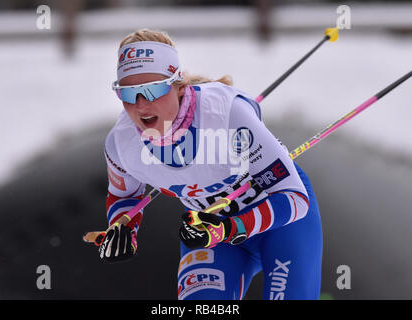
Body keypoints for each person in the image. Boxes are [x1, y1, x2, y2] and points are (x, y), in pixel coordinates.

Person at [100, 28, 323, 300]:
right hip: (211, 234)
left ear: (178, 86)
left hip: (281, 223)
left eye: (153, 89)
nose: (141, 105)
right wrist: (123, 229)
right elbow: (125, 196)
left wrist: (232, 228)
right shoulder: (121, 144)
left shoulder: (226, 114)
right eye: (128, 93)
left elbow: (295, 197)